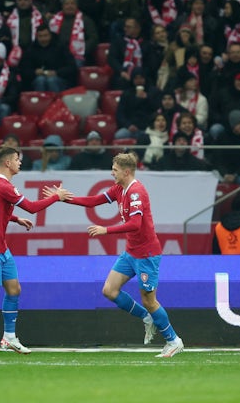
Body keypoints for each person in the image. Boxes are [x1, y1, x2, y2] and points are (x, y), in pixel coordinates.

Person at [47, 152, 184, 358]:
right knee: (110, 290)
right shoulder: (119, 188)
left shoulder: (136, 192)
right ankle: (147, 318)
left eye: (115, 169)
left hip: (146, 254)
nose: (112, 172)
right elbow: (94, 201)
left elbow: (136, 224)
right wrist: (64, 198)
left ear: (126, 171)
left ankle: (173, 340)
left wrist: (105, 230)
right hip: (131, 252)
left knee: (149, 300)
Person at [0, 145, 72, 358]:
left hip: (1, 248)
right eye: (17, 159)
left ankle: (8, 337)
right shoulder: (4, 186)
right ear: (7, 162)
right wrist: (57, 196)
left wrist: (15, 218)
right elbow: (33, 207)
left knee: (14, 290)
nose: (20, 162)